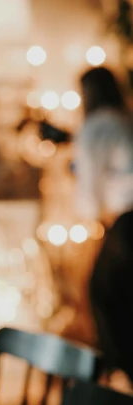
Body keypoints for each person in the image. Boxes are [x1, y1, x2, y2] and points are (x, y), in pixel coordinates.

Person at [76, 67, 133, 382]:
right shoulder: (125, 119)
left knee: (102, 291)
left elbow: (90, 194)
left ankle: (120, 371)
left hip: (128, 220)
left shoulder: (96, 126)